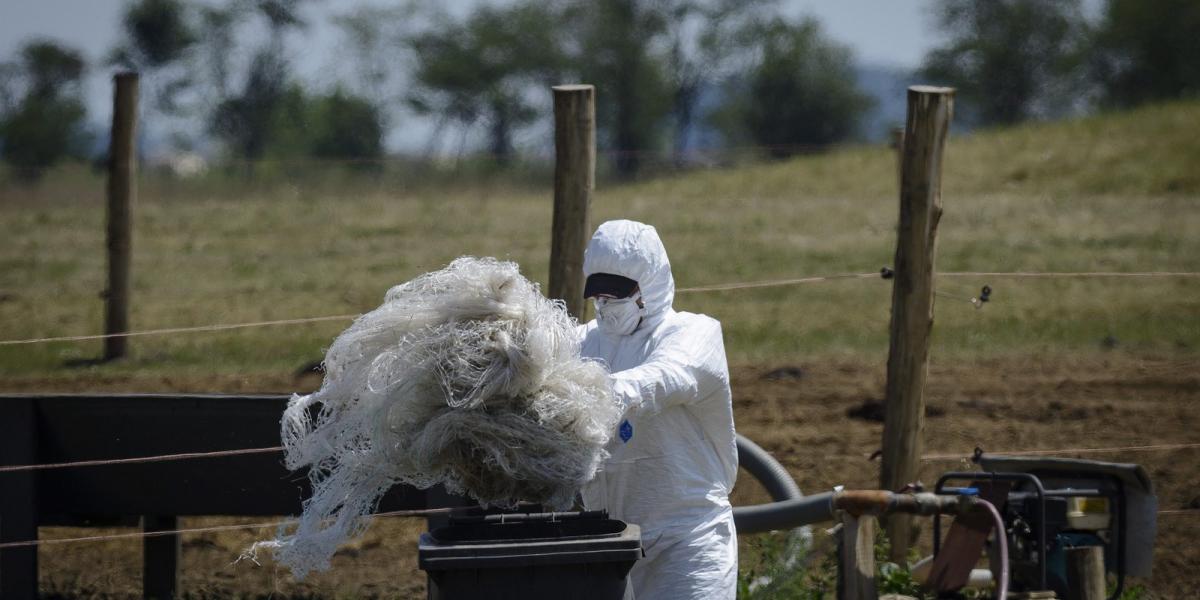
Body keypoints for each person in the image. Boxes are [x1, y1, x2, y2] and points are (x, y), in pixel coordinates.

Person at [578, 219, 738, 599]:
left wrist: (578, 394)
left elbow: (662, 379)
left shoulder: (694, 335)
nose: (605, 305)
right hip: (611, 547)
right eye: (598, 295)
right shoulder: (586, 341)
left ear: (649, 286)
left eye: (616, 295)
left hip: (688, 544)